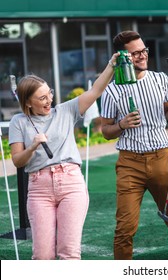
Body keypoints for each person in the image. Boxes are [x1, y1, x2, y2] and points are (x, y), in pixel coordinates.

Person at [8, 53, 119, 260]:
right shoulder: (18, 122)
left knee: (69, 253)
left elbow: (96, 90)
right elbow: (17, 161)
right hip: (39, 189)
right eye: (42, 98)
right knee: (42, 256)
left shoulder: (65, 111)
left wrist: (111, 65)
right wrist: (32, 147)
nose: (49, 99)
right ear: (28, 102)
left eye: (49, 93)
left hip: (70, 184)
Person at [100, 30, 168, 260]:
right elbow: (105, 131)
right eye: (135, 53)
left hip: (162, 158)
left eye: (144, 50)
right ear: (122, 57)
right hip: (129, 164)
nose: (142, 56)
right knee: (124, 228)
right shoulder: (112, 90)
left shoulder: (160, 78)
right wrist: (122, 124)